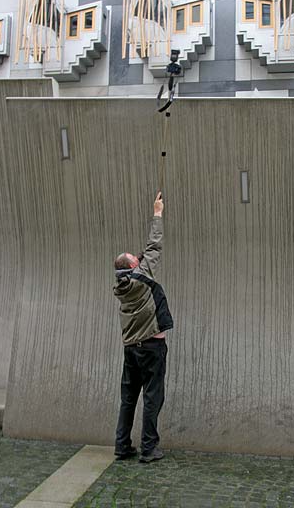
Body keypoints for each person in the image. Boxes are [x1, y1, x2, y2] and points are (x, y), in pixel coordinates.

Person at [113, 192, 174, 464]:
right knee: (152, 397)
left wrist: (135, 261)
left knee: (129, 400)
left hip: (131, 350)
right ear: (134, 267)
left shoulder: (124, 285)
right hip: (151, 348)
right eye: (135, 260)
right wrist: (157, 212)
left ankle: (122, 446)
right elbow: (154, 247)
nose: (139, 260)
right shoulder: (142, 277)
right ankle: (149, 448)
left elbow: (140, 258)